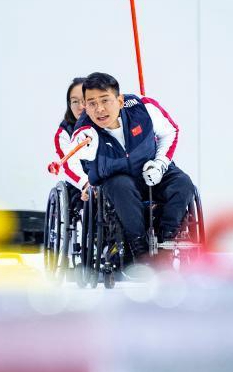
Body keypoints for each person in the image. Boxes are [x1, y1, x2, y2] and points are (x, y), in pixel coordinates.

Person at [70, 72, 194, 260]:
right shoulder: (85, 131)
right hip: (118, 184)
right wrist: (84, 181)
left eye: (105, 100)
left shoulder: (144, 108)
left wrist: (159, 164)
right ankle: (139, 250)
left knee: (183, 183)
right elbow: (73, 158)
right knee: (121, 185)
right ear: (85, 106)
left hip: (151, 169)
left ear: (119, 101)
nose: (99, 109)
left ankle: (166, 241)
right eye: (92, 103)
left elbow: (171, 132)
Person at [53, 77, 90, 206]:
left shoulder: (108, 123)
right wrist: (86, 183)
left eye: (85, 101)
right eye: (75, 101)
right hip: (81, 184)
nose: (80, 107)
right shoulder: (64, 133)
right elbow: (69, 165)